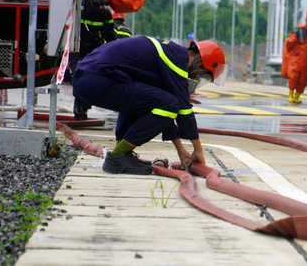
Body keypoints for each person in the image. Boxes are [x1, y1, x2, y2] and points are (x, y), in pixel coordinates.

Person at [72, 37, 227, 175]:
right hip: (97, 79)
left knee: (150, 101)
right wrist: (198, 150)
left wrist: (181, 151)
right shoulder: (177, 60)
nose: (196, 79)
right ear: (198, 62)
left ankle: (122, 152)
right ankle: (118, 157)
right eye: (202, 75)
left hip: (88, 78)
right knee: (169, 103)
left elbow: (163, 113)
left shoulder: (171, 54)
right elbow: (182, 109)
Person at [73, 0, 118, 120]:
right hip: (77, 49)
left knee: (92, 77)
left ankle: (84, 105)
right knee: (79, 74)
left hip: (93, 50)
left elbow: (110, 35)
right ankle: (80, 105)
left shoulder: (105, 13)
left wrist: (117, 51)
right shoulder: (80, 8)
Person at [281, 24, 307, 104]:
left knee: (303, 81)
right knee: (293, 78)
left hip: (304, 67)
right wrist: (294, 35)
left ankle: (296, 96)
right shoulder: (291, 42)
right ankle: (291, 95)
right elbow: (290, 42)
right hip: (294, 65)